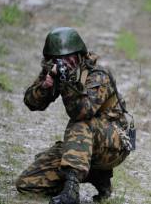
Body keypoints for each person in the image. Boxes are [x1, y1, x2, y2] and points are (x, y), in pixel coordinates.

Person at [16, 27, 135, 204]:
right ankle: (94, 175)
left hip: (114, 144)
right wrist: (45, 86)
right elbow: (32, 103)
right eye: (58, 59)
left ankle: (71, 191)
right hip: (86, 144)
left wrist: (66, 83)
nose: (64, 62)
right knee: (27, 183)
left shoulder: (98, 75)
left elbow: (82, 111)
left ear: (79, 55)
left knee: (79, 124)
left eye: (68, 57)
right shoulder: (57, 71)